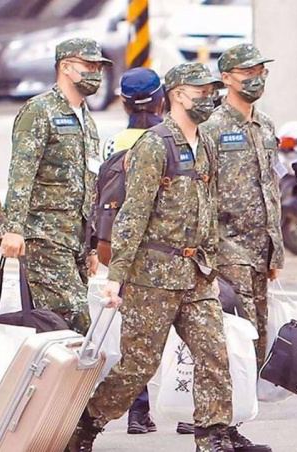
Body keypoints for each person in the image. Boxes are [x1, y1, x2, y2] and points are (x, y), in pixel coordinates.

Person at [69, 62, 233, 452]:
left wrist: (213, 257)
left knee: (213, 353)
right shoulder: (153, 145)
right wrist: (117, 276)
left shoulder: (206, 143)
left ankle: (211, 436)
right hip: (152, 277)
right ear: (177, 95)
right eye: (201, 92)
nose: (208, 99)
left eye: (212, 91)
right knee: (137, 367)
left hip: (196, 274)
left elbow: (208, 205)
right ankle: (86, 425)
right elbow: (133, 213)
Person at [0, 38, 110, 333]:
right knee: (76, 319)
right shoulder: (40, 111)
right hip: (45, 236)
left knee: (59, 328)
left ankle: (56, 381)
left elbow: (90, 182)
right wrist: (13, 228)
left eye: (98, 67)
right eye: (88, 66)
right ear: (65, 67)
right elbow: (22, 172)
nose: (96, 73)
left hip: (74, 237)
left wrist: (90, 244)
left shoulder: (86, 119)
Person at [201, 43, 280, 451]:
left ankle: (229, 426)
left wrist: (276, 251)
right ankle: (215, 432)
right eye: (247, 72)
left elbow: (271, 187)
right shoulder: (211, 127)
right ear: (227, 78)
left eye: (261, 70)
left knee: (254, 344)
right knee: (230, 342)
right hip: (226, 249)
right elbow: (202, 192)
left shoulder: (264, 125)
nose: (257, 78)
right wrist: (208, 256)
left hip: (259, 251)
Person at [95, 67, 166, 436]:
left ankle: (138, 411)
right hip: (163, 248)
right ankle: (191, 409)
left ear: (123, 103)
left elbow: (100, 194)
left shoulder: (113, 143)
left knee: (134, 334)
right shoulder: (169, 139)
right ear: (162, 98)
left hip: (122, 247)